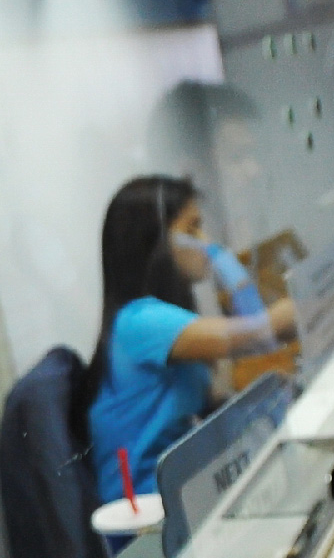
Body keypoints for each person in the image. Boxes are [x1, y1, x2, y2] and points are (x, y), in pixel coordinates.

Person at [76, 176, 296, 504]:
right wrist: (330, 294)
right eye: (192, 229)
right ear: (154, 242)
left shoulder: (164, 316)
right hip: (149, 520)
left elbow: (208, 400)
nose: (205, 242)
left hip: (186, 493)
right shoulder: (140, 321)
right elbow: (258, 331)